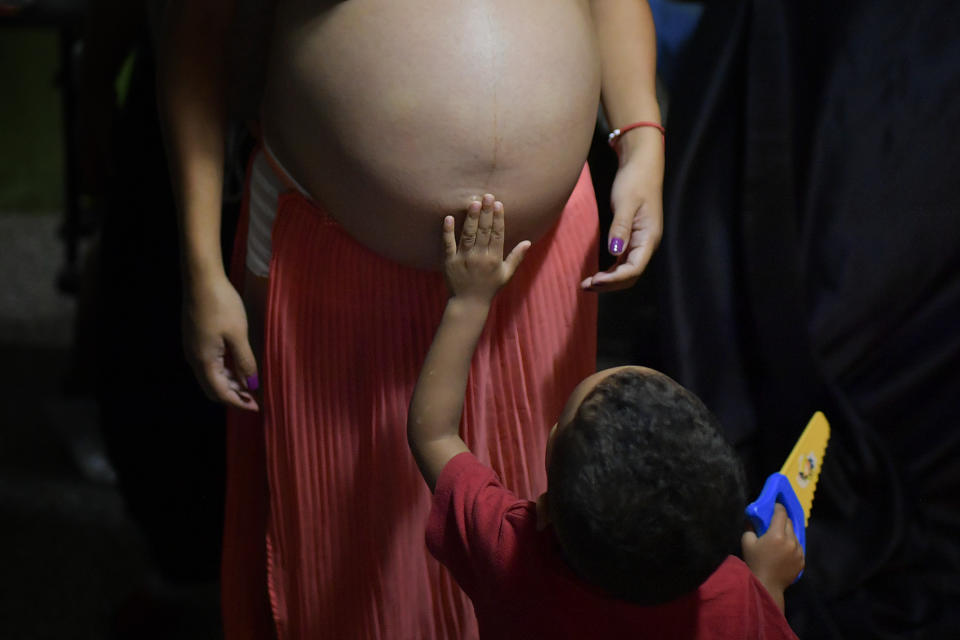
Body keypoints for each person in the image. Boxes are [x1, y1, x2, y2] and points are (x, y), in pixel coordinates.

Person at [159, 1, 665, 637]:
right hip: (337, 254)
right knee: (347, 561)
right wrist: (203, 270)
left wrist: (642, 139)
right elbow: (198, 32)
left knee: (544, 531)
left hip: (541, 265)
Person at [407, 195, 802, 638]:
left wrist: (470, 300)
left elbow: (434, 434)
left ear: (546, 507)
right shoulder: (731, 593)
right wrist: (768, 585)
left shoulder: (511, 555)